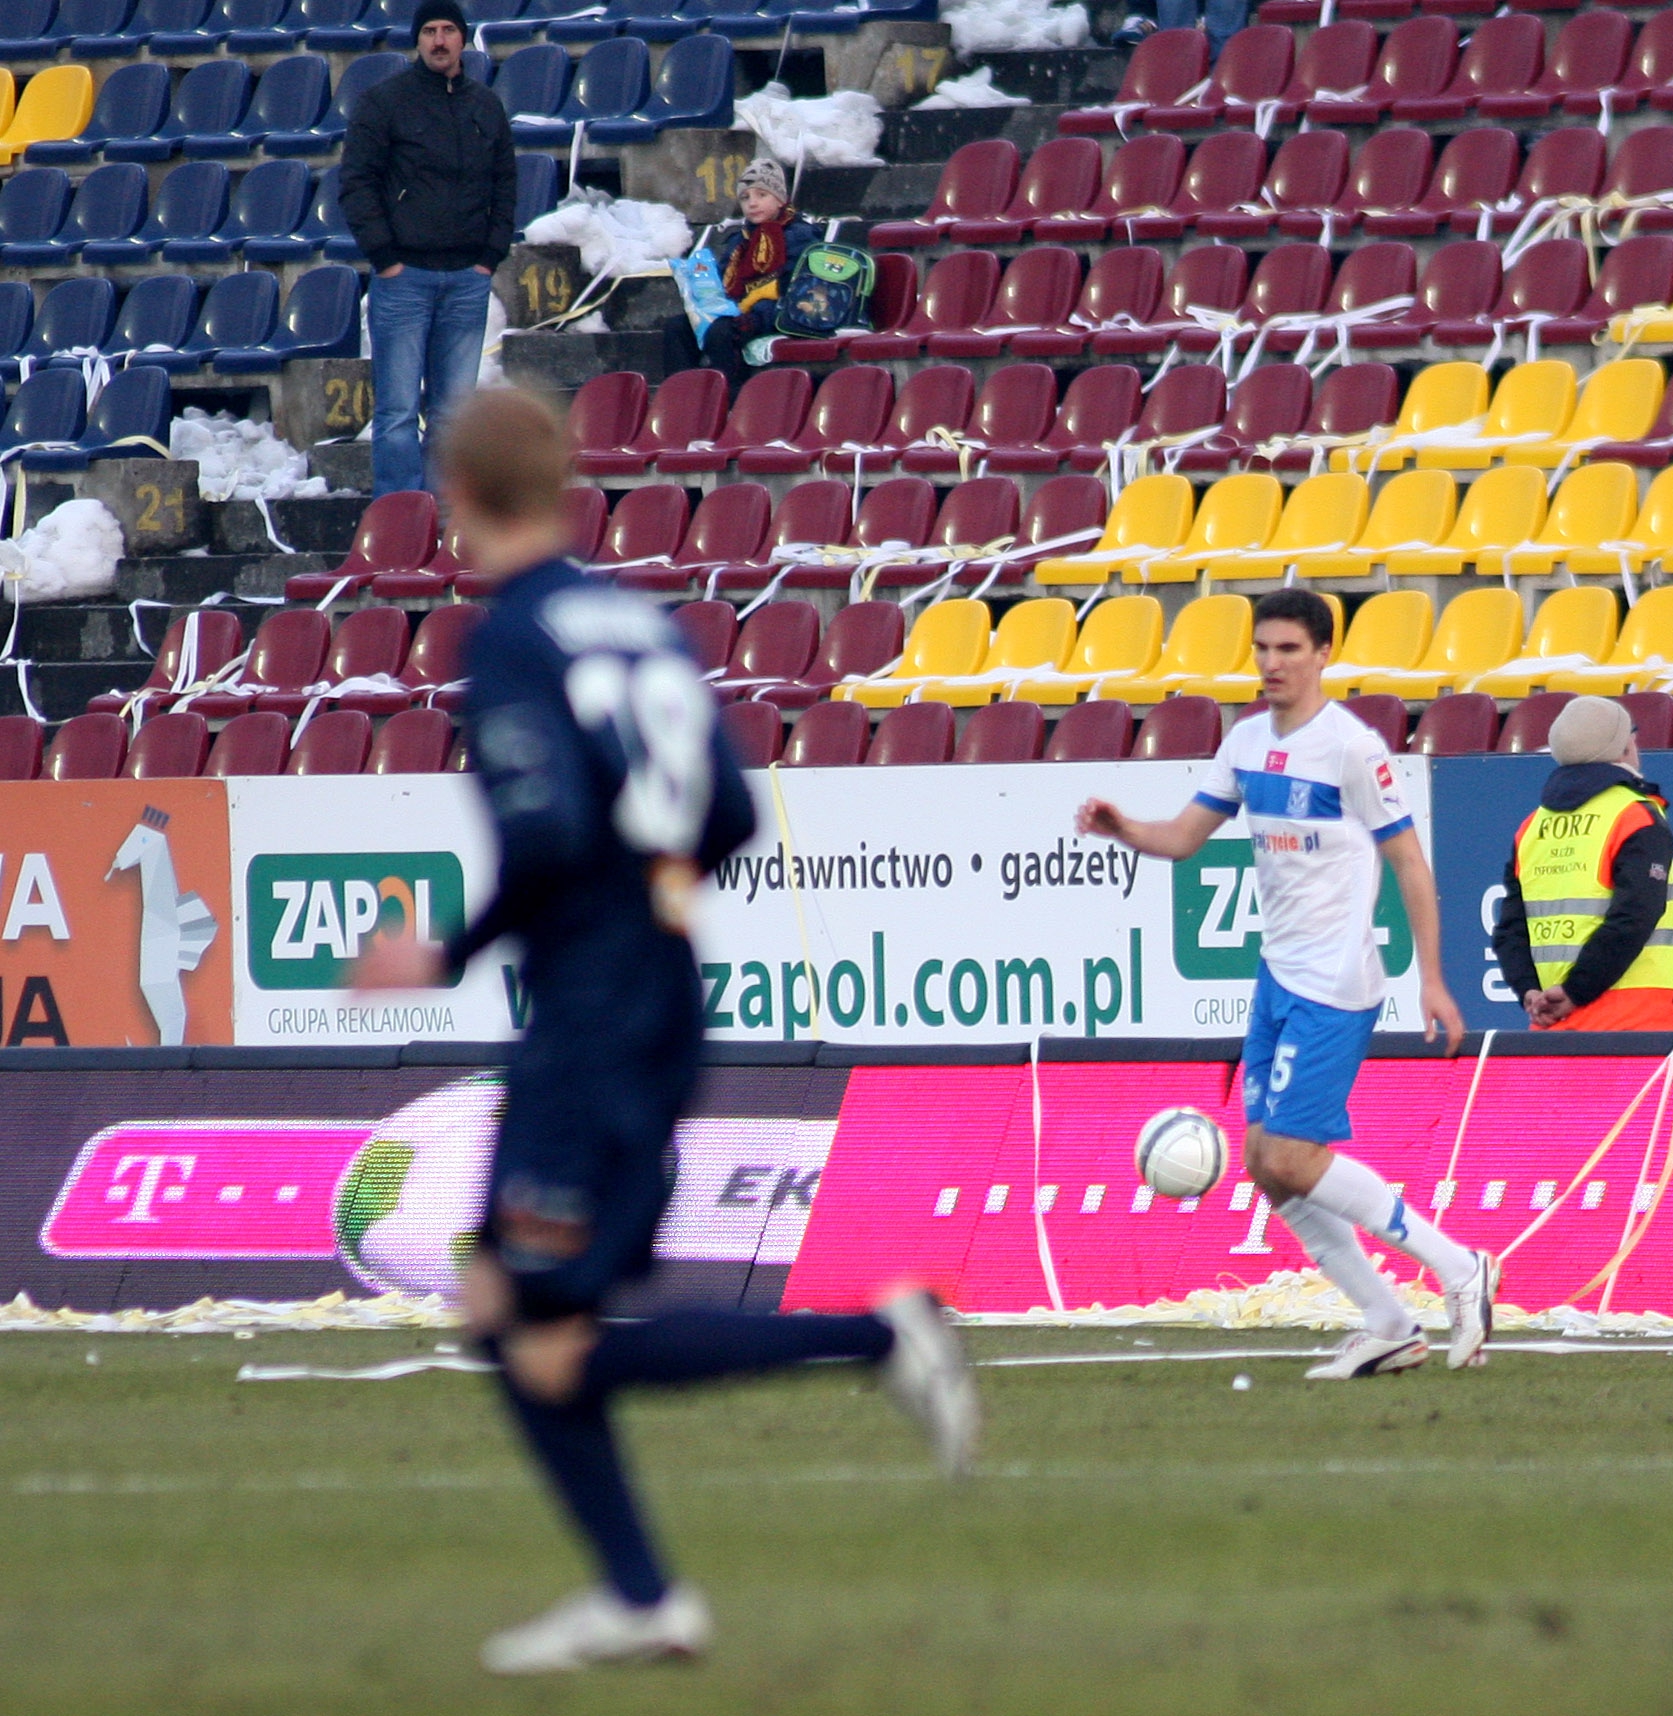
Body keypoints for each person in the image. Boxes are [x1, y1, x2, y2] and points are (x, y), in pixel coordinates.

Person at [350, 388, 976, 1675]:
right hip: (656, 988)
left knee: (536, 1335)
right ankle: (641, 1593)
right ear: (562, 482)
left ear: (457, 498)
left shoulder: (511, 636)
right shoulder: (639, 618)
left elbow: (546, 833)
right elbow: (731, 815)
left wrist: (445, 954)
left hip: (589, 1018)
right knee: (508, 1310)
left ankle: (874, 1345)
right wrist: (653, 896)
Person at [1075, 587, 1498, 1379]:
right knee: (1265, 1162)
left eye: (1289, 650)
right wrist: (1122, 828)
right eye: (1263, 649)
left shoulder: (1350, 749)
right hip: (1277, 976)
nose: (1272, 664)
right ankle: (1388, 1324)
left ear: (1323, 654)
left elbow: (1409, 862)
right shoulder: (1243, 744)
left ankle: (1460, 1266)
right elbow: (1185, 838)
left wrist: (1432, 980)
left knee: (1295, 1158)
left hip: (1334, 982)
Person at [339, 0, 516, 497]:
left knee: (454, 414)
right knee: (397, 412)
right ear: (417, 40)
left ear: (463, 38)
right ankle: (400, 520)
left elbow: (505, 183)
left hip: (467, 278)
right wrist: (385, 257)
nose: (439, 41)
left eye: (448, 30)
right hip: (405, 278)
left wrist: (490, 256)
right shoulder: (384, 102)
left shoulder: (486, 105)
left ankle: (446, 519)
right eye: (430, 31)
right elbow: (357, 183)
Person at [1492, 696, 1673, 1032]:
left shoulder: (1532, 827)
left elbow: (1511, 929)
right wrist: (1575, 991)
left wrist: (1529, 992)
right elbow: (1635, 916)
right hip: (1634, 1013)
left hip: (1551, 1016)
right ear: (1625, 747)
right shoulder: (1635, 816)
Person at [675, 159, 816, 397]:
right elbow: (724, 284)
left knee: (722, 332)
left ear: (780, 199)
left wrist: (754, 315)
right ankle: (683, 400)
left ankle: (733, 400)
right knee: (678, 327)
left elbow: (794, 288)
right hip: (736, 309)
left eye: (762, 195)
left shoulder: (800, 236)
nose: (752, 203)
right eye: (745, 197)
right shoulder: (739, 241)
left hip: (777, 312)